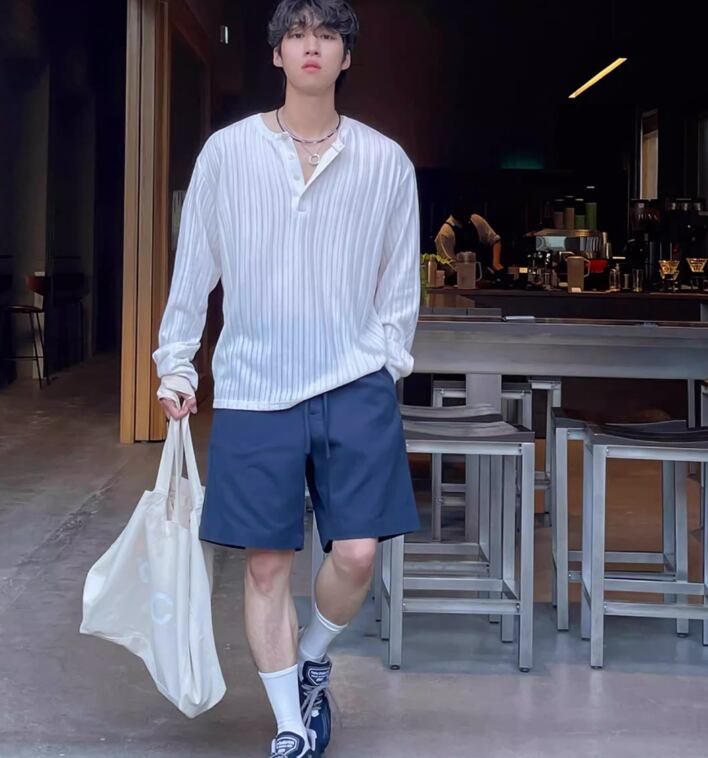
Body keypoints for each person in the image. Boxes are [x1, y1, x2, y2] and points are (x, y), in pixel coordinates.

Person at [152, 1, 421, 756]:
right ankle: (291, 725)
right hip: (254, 383)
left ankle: (311, 660)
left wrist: (387, 362)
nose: (311, 47)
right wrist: (176, 361)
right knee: (267, 563)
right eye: (297, 35)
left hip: (353, 379)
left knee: (358, 553)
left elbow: (400, 284)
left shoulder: (385, 162)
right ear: (276, 54)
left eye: (327, 36)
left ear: (346, 57)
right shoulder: (227, 154)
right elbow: (194, 267)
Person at [434, 201, 503, 284]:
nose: (469, 216)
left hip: (481, 277)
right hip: (458, 282)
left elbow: (495, 240)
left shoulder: (475, 220)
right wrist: (471, 275)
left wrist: (496, 263)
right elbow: (450, 268)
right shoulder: (445, 233)